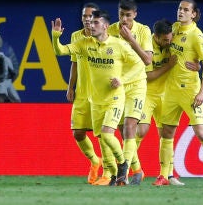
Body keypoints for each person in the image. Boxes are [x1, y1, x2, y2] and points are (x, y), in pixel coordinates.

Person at [52, 10, 143, 186]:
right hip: (95, 101)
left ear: (106, 26)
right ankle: (114, 174)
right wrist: (56, 37)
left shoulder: (119, 45)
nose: (91, 25)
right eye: (90, 22)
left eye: (95, 23)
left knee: (108, 135)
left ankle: (124, 164)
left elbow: (139, 64)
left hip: (115, 99)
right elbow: (60, 51)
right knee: (102, 139)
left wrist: (122, 80)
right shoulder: (84, 43)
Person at [153, 0, 203, 185]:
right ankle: (163, 175)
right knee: (166, 132)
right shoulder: (173, 28)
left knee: (200, 132)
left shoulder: (197, 36)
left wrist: (202, 92)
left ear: (193, 14)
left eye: (185, 10)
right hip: (170, 90)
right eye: (179, 8)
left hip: (190, 92)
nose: (180, 12)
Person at [136, 18, 199, 186]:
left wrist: (197, 66)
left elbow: (187, 56)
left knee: (166, 135)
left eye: (169, 39)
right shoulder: (146, 45)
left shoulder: (171, 41)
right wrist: (169, 66)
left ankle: (168, 175)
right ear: (156, 37)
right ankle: (129, 169)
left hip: (167, 95)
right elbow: (148, 76)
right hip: (148, 94)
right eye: (165, 40)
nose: (168, 43)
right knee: (140, 131)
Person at [107, 0, 152, 185]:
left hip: (137, 84)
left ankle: (122, 174)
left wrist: (131, 39)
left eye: (128, 15)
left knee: (130, 126)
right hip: (118, 85)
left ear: (135, 14)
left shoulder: (143, 31)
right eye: (121, 14)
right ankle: (138, 170)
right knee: (121, 130)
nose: (124, 19)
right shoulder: (110, 30)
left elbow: (147, 60)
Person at [65, 2, 106, 185]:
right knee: (78, 133)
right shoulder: (76, 36)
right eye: (84, 16)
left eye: (90, 16)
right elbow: (74, 63)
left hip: (101, 93)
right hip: (82, 93)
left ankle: (109, 171)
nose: (87, 19)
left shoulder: (105, 36)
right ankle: (95, 160)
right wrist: (70, 86)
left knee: (103, 134)